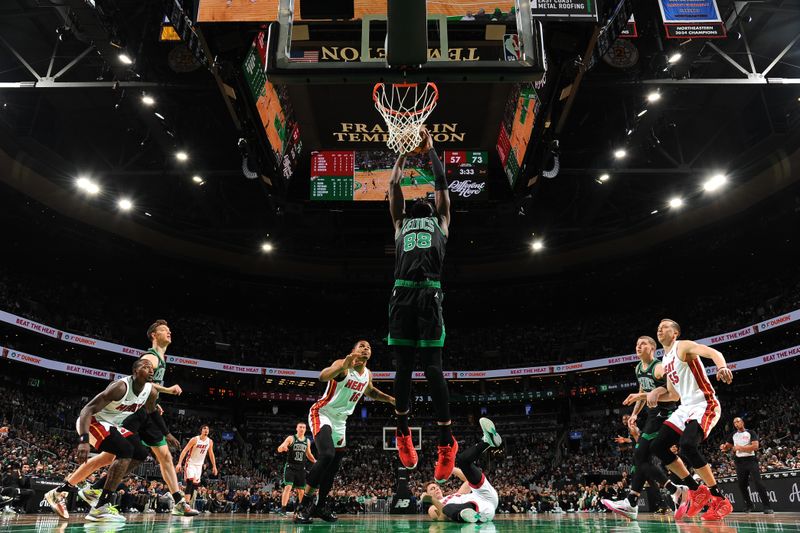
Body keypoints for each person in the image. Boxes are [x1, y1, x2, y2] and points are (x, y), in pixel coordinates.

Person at [61, 320, 197, 517]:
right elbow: (141, 380)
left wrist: (151, 399)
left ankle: (90, 489)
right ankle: (178, 502)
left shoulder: (160, 358)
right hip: (138, 414)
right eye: (164, 330)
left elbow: (146, 386)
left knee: (117, 456)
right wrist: (165, 390)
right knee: (150, 456)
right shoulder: (151, 357)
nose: (169, 332)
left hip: (143, 409)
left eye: (169, 330)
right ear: (153, 335)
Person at [387, 125, 457, 482]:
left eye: (426, 199)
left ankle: (446, 441)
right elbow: (393, 187)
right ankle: (402, 431)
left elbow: (443, 185)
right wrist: (402, 152)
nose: (422, 199)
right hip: (402, 294)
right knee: (402, 368)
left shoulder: (441, 221)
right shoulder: (400, 224)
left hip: (429, 293)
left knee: (432, 369)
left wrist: (430, 150)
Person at [294, 340, 395, 524]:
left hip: (341, 421)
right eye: (362, 346)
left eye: (369, 347)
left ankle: (320, 506)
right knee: (326, 454)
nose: (366, 348)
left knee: (333, 467)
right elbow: (323, 377)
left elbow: (370, 391)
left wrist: (390, 399)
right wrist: (343, 365)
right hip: (323, 413)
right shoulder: (343, 366)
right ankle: (303, 505)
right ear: (353, 351)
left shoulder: (367, 374)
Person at [46, 359, 157, 522]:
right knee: (125, 450)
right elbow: (87, 409)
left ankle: (79, 491)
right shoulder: (120, 387)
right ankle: (100, 507)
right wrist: (83, 440)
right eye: (145, 366)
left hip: (112, 425)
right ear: (134, 372)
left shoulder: (151, 392)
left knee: (140, 453)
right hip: (93, 422)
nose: (150, 369)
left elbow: (150, 410)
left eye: (151, 367)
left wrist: (165, 431)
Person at [646, 318, 734, 521]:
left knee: (686, 445)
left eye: (665, 327)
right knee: (658, 447)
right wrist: (655, 392)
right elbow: (672, 394)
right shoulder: (666, 358)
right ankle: (696, 490)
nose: (660, 329)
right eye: (658, 327)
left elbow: (714, 353)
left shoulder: (683, 346)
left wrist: (721, 367)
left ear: (675, 333)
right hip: (685, 407)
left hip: (704, 403)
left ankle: (719, 498)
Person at [603, 335, 679, 519]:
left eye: (643, 344)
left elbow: (673, 394)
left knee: (640, 456)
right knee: (641, 461)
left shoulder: (659, 367)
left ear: (652, 348)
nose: (638, 346)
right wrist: (635, 413)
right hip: (652, 416)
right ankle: (633, 501)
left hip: (665, 414)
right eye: (637, 344)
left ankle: (673, 491)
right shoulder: (638, 368)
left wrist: (651, 394)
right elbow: (642, 392)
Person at [423, 418, 502, 523]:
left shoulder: (458, 494)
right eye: (432, 489)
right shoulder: (432, 508)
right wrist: (431, 500)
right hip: (480, 510)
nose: (436, 488)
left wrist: (450, 468)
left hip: (484, 494)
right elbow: (442, 517)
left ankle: (487, 441)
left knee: (462, 461)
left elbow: (466, 479)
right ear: (427, 494)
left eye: (436, 486)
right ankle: (470, 516)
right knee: (447, 509)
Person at [721, 417, 773, 514]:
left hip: (751, 460)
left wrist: (740, 448)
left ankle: (767, 506)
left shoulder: (750, 433)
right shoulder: (733, 435)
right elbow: (727, 446)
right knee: (742, 485)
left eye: (738, 421)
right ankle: (749, 504)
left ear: (742, 422)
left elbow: (755, 446)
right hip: (739, 461)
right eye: (734, 422)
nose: (736, 423)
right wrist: (724, 447)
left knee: (758, 483)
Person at [277, 422, 316, 515]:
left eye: (303, 427)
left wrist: (315, 461)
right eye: (300, 427)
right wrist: (283, 447)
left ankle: (301, 509)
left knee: (301, 490)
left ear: (305, 429)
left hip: (301, 468)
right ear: (297, 428)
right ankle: (283, 509)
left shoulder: (307, 441)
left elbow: (308, 454)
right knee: (288, 487)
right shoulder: (291, 438)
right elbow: (279, 448)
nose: (302, 429)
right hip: (290, 466)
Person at [176, 425, 218, 506]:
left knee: (194, 486)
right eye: (204, 428)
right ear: (201, 430)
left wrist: (214, 466)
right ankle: (186, 505)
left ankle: (185, 503)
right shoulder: (195, 439)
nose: (206, 430)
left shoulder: (210, 442)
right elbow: (184, 451)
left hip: (199, 465)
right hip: (190, 463)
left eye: (207, 429)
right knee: (190, 482)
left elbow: (211, 454)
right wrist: (179, 463)